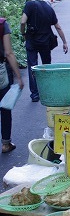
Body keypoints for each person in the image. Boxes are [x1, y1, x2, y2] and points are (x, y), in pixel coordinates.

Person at [20, 0, 68, 102]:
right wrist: (64, 42)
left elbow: (22, 22)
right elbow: (58, 27)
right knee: (46, 66)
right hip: (46, 42)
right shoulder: (48, 7)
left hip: (32, 41)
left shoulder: (29, 5)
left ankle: (35, 94)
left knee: (32, 66)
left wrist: (23, 33)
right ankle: (47, 90)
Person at [0, 19, 24, 153]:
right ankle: (6, 144)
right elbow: (8, 53)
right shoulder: (2, 24)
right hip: (1, 72)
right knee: (5, 106)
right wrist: (18, 77)